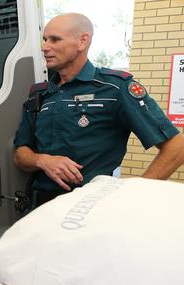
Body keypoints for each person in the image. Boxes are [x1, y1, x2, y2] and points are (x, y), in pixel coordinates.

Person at [14, 13, 184, 207]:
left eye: (55, 39)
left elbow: (177, 148)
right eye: (44, 39)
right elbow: (20, 154)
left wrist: (137, 193)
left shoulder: (115, 88)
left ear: (82, 41)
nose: (45, 47)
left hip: (89, 213)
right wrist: (42, 160)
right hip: (39, 210)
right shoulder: (39, 94)